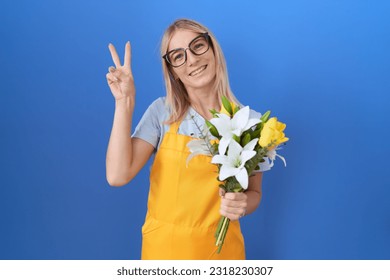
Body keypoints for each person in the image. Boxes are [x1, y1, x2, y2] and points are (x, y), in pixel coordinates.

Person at [105, 19, 269, 260]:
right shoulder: (163, 113)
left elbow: (254, 193)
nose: (191, 59)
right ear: (172, 70)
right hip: (164, 255)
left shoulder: (248, 122)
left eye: (197, 46)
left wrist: (243, 204)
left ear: (213, 49)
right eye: (178, 56)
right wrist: (124, 102)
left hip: (222, 256)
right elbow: (118, 175)